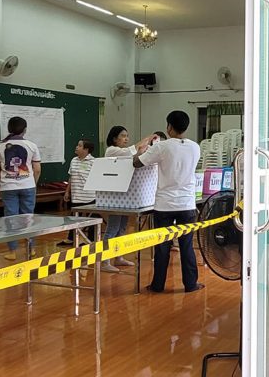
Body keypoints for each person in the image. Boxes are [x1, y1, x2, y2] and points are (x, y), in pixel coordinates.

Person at [134, 111, 203, 293]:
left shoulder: (161, 147)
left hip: (164, 204)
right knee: (186, 245)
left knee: (162, 246)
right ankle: (191, 284)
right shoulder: (195, 147)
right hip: (187, 203)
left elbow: (137, 163)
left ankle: (158, 285)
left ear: (169, 127)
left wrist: (140, 150)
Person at [102, 126, 155, 272]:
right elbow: (131, 150)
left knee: (122, 227)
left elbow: (136, 156)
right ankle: (105, 261)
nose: (126, 138)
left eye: (127, 136)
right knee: (113, 227)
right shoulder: (111, 150)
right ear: (114, 138)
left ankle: (118, 257)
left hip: (124, 195)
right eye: (123, 136)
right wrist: (147, 139)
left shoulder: (124, 152)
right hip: (114, 196)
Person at [0, 116, 41, 261]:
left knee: (10, 219)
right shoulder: (32, 145)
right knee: (28, 217)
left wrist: (2, 181)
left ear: (9, 129)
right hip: (28, 185)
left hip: (8, 187)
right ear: (25, 130)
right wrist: (32, 183)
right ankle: (31, 249)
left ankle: (12, 251)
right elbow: (37, 169)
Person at [58, 138, 97, 247]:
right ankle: (71, 239)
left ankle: (91, 240)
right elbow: (71, 177)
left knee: (92, 219)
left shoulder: (94, 162)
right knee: (73, 218)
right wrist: (67, 192)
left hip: (89, 196)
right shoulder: (73, 160)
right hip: (76, 195)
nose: (76, 147)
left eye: (79, 146)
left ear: (86, 149)